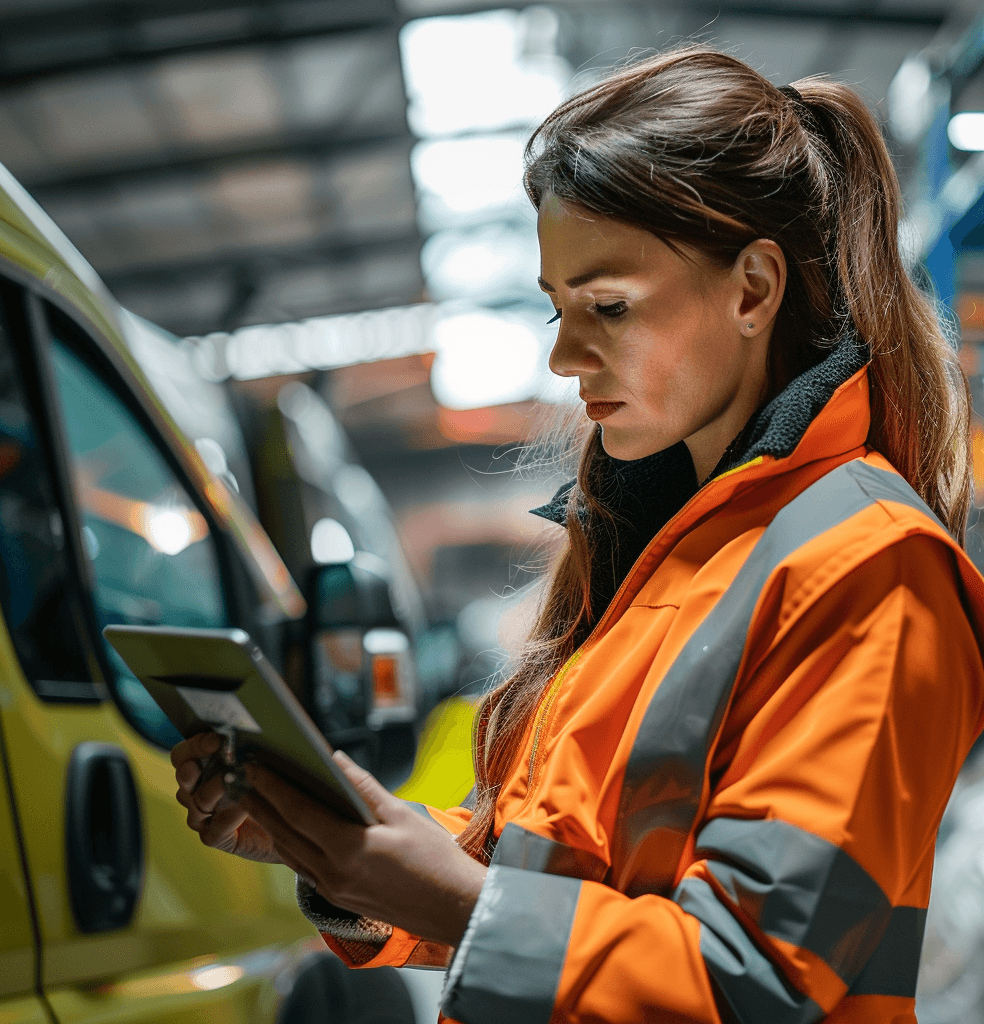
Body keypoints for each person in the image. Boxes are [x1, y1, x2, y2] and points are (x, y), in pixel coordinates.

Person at [172, 47, 984, 1024]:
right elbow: (569, 872)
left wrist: (441, 895)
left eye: (608, 306)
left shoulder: (865, 566)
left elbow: (746, 983)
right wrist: (345, 849)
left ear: (753, 289)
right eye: (558, 309)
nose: (562, 356)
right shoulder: (660, 552)